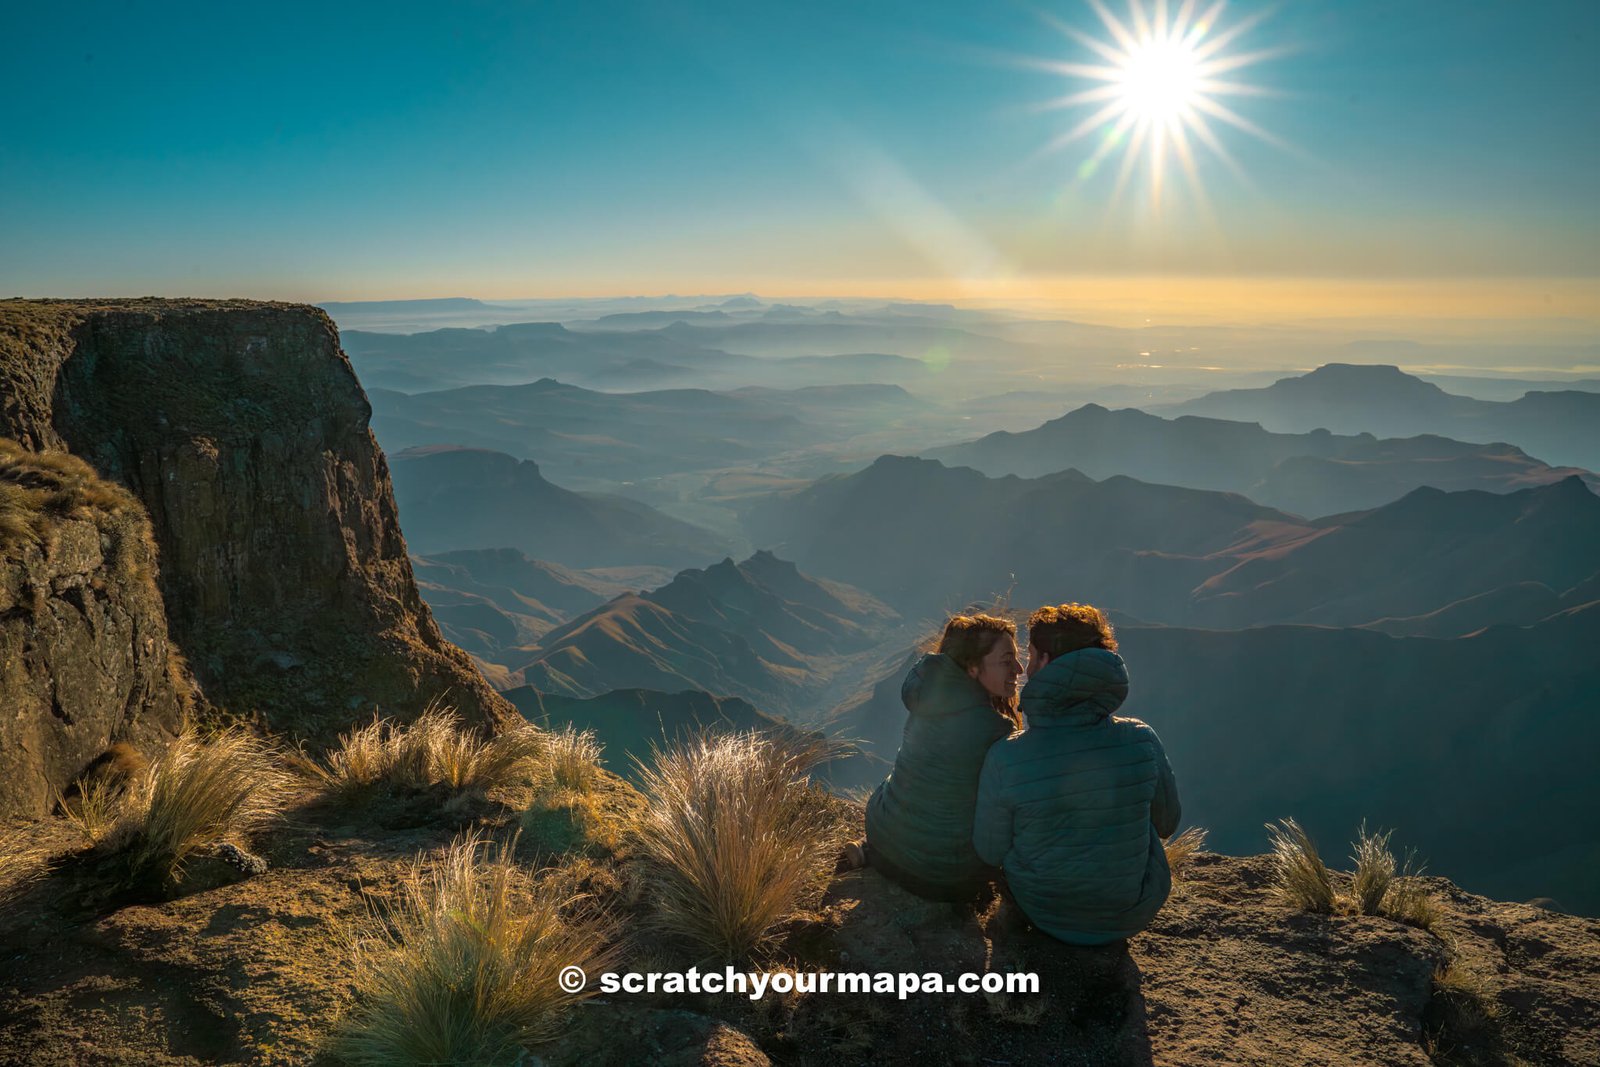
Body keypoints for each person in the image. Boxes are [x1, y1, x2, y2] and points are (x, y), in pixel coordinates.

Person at [973, 603, 1180, 944]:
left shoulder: (1007, 756)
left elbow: (990, 851)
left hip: (1043, 911)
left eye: (1030, 655)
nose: (1025, 668)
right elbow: (1167, 823)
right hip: (1129, 913)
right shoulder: (1142, 739)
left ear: (1046, 661)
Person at [859, 612, 1023, 901]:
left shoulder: (929, 696)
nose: (1019, 669)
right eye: (1006, 661)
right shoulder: (995, 729)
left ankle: (871, 853)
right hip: (941, 874)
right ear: (973, 668)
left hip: (881, 835)